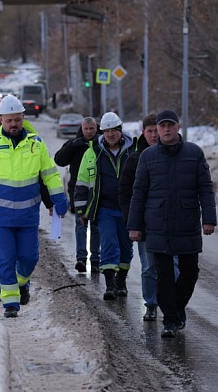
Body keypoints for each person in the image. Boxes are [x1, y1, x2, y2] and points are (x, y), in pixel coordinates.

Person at [0, 95, 68, 318]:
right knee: (5, 258)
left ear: (23, 118)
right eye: (9, 120)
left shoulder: (36, 145)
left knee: (30, 258)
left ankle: (21, 283)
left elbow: (50, 175)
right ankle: (10, 304)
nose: (13, 124)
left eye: (17, 120)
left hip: (28, 216)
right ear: (0, 120)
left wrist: (58, 198)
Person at [127, 109, 217, 338]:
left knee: (190, 272)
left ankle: (175, 309)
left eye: (170, 125)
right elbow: (138, 193)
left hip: (187, 223)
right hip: (158, 223)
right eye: (162, 126)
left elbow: (205, 189)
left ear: (178, 127)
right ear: (157, 130)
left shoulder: (194, 153)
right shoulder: (148, 157)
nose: (166, 129)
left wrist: (209, 219)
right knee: (164, 273)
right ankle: (169, 320)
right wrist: (134, 225)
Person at [118, 113, 178, 322]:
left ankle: (174, 306)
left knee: (175, 268)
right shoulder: (135, 158)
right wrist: (132, 221)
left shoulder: (176, 154)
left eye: (156, 130)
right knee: (150, 266)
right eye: (150, 131)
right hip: (146, 223)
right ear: (143, 132)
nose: (154, 135)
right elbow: (125, 192)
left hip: (173, 223)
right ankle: (151, 303)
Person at [75, 112, 135, 301]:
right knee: (109, 244)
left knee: (126, 248)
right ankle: (109, 285)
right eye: (106, 131)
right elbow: (82, 182)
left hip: (128, 210)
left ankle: (121, 281)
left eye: (113, 131)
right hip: (105, 208)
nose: (110, 135)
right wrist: (81, 210)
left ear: (120, 130)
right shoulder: (93, 153)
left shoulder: (133, 152)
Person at [54, 116, 101, 273]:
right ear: (81, 129)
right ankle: (81, 258)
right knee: (81, 225)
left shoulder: (101, 145)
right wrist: (73, 146)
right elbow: (59, 160)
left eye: (91, 129)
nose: (88, 132)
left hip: (97, 192)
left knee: (95, 226)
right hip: (78, 192)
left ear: (96, 129)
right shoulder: (75, 144)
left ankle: (95, 259)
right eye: (86, 129)